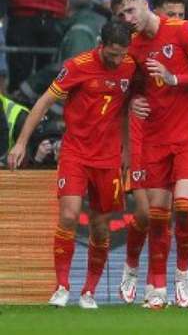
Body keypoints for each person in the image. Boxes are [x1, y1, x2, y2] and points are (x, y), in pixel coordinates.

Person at [8, 20, 136, 309]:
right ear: (101, 45)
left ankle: (88, 291)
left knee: (101, 227)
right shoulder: (78, 66)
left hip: (108, 158)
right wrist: (21, 142)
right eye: (112, 54)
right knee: (68, 215)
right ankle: (62, 286)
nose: (117, 60)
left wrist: (128, 152)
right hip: (76, 153)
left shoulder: (130, 67)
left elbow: (125, 112)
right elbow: (42, 102)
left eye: (121, 54)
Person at [111, 0, 188, 308]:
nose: (128, 18)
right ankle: (156, 288)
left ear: (146, 5)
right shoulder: (131, 48)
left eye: (131, 10)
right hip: (155, 138)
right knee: (156, 215)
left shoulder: (184, 31)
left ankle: (183, 273)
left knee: (185, 207)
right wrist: (134, 102)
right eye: (121, 15)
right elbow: (127, 90)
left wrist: (175, 79)